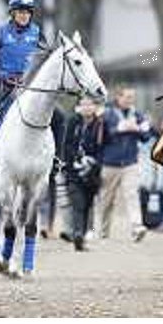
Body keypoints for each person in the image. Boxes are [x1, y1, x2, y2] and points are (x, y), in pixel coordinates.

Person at [0, 0, 48, 176]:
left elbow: (45, 62)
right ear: (12, 13)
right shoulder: (0, 34)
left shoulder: (38, 34)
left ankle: (57, 160)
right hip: (5, 84)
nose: (24, 15)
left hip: (31, 86)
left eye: (27, 12)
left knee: (60, 118)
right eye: (20, 11)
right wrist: (0, 74)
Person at [99, 86, 151, 242]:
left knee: (132, 195)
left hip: (130, 163)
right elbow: (103, 136)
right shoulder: (107, 114)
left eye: (132, 97)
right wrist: (119, 128)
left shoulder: (138, 114)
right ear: (118, 97)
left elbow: (146, 136)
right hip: (110, 163)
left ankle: (137, 227)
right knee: (107, 200)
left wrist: (137, 129)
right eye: (127, 97)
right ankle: (103, 231)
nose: (130, 100)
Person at [62, 96, 103, 251]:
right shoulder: (72, 121)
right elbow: (66, 145)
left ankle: (83, 233)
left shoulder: (100, 124)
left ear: (95, 106)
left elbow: (104, 146)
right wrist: (75, 160)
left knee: (87, 203)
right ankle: (78, 233)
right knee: (77, 203)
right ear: (78, 107)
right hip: (73, 171)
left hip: (93, 173)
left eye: (89, 104)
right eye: (83, 104)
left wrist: (92, 161)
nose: (86, 107)